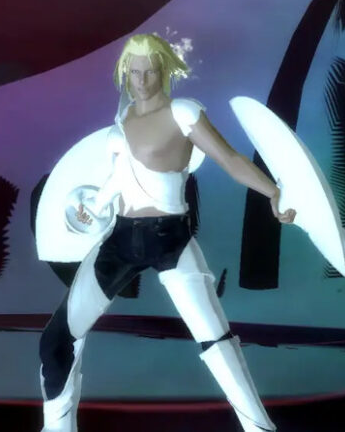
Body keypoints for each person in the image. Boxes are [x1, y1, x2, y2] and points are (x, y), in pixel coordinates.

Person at [39, 33, 294, 432]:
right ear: (125, 73)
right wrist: (96, 206)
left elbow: (230, 159)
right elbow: (120, 177)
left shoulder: (183, 113)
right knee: (57, 341)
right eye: (134, 71)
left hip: (170, 240)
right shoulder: (124, 120)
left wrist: (273, 192)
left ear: (164, 71)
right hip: (119, 241)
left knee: (217, 344)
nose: (141, 80)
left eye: (149, 71)